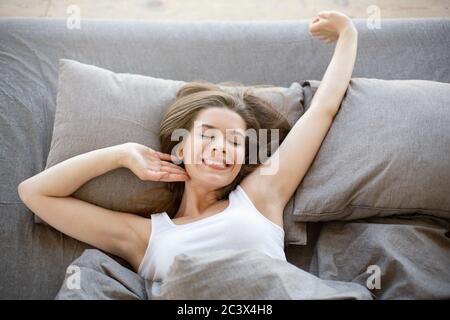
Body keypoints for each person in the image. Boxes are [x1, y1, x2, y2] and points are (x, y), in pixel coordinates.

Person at [18, 11, 358, 283]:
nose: (222, 147)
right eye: (208, 135)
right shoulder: (144, 237)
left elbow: (322, 110)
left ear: (243, 159)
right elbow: (35, 193)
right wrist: (119, 154)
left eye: (235, 141)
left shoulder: (261, 195)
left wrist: (347, 33)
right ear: (180, 148)